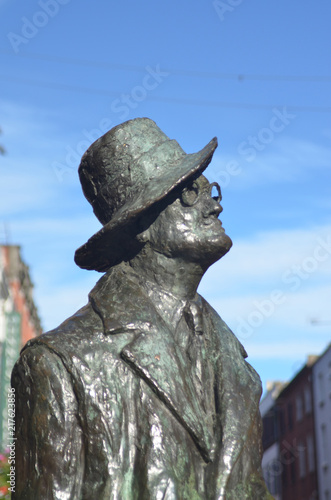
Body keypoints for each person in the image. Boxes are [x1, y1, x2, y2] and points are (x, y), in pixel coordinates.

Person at [12, 118, 272, 499]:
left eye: (210, 189)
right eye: (189, 192)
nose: (214, 204)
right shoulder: (61, 362)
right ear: (140, 225)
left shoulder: (238, 369)